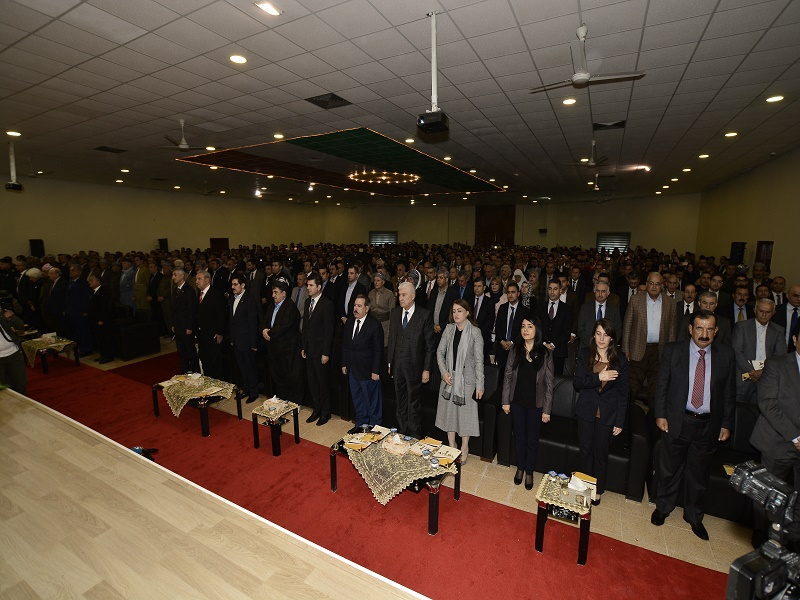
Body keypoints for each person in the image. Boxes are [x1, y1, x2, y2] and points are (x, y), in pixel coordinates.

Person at [651, 311, 736, 540]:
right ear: (690, 329)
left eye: (709, 329)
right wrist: (660, 414)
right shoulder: (673, 350)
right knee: (669, 469)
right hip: (677, 420)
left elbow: (729, 393)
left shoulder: (726, 355)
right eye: (699, 328)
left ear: (716, 331)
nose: (704, 334)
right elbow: (662, 385)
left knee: (699, 475)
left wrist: (727, 423)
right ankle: (663, 507)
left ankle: (694, 516)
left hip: (708, 425)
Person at [573, 319, 629, 505]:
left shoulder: (620, 359)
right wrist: (599, 377)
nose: (601, 338)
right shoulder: (584, 354)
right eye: (598, 334)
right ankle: (582, 487)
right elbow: (578, 383)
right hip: (586, 411)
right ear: (593, 335)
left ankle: (597, 490)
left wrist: (620, 421)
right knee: (585, 451)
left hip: (608, 414)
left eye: (606, 335)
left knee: (601, 453)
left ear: (612, 338)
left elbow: (623, 392)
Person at [501, 317, 553, 490]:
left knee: (532, 439)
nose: (525, 330)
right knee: (519, 437)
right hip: (517, 402)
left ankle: (529, 471)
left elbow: (549, 384)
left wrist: (547, 410)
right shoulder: (515, 350)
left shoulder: (546, 353)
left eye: (530, 326)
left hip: (536, 405)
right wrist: (505, 401)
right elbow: (508, 376)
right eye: (523, 326)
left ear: (536, 329)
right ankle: (520, 468)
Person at [435, 299, 484, 463]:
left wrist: (480, 385)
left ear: (467, 313)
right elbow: (439, 352)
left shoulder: (475, 332)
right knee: (449, 414)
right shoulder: (449, 329)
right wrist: (443, 372)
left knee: (465, 417)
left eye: (460, 311)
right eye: (454, 311)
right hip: (449, 379)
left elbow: (479, 361)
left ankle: (464, 447)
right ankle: (451, 444)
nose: (456, 314)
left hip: (467, 381)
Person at [387, 281, 435, 438]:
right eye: (399, 295)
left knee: (413, 403)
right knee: (400, 402)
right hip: (397, 366)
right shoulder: (395, 313)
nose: (400, 298)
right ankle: (402, 433)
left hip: (415, 368)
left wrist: (426, 369)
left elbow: (430, 346)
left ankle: (414, 436)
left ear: (413, 296)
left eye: (404, 295)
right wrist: (390, 363)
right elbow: (392, 340)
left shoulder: (424, 315)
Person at [622, 272, 677, 408]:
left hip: (659, 352)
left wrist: (670, 353)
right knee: (631, 388)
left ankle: (654, 418)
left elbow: (672, 330)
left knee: (656, 390)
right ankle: (625, 416)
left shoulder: (670, 303)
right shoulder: (635, 300)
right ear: (646, 284)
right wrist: (625, 350)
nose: (654, 287)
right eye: (651, 283)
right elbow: (627, 326)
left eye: (657, 284)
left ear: (662, 286)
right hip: (637, 349)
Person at [342, 295, 384, 432]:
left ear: (367, 309)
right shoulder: (349, 322)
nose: (355, 308)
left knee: (372, 404)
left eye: (359, 306)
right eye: (355, 305)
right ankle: (360, 427)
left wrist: (376, 371)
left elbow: (378, 350)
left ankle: (374, 430)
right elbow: (345, 345)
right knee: (358, 402)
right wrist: (344, 364)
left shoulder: (374, 325)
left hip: (368, 373)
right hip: (353, 371)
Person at [732, 298, 786, 403]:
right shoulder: (742, 326)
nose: (764, 315)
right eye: (761, 311)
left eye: (768, 312)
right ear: (755, 310)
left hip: (768, 377)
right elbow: (736, 351)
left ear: (773, 313)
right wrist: (753, 371)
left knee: (766, 408)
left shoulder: (778, 330)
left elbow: (780, 355)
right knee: (740, 409)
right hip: (744, 374)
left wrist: (763, 372)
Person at [261, 277, 302, 405]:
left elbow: (283, 327)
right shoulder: (271, 306)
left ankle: (294, 403)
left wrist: (269, 333)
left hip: (287, 350)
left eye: (276, 292)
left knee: (290, 377)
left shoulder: (290, 307)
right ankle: (282, 399)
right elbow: (264, 322)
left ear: (283, 293)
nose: (273, 295)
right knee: (277, 376)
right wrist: (263, 330)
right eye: (272, 292)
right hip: (274, 349)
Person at [302, 272, 335, 425]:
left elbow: (329, 331)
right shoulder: (307, 302)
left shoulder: (327, 304)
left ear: (319, 287)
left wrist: (326, 353)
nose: (308, 288)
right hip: (309, 350)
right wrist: (304, 346)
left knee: (322, 382)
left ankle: (326, 412)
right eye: (307, 285)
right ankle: (316, 409)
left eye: (311, 285)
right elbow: (305, 327)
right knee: (312, 382)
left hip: (321, 352)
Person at [195, 271, 227, 380]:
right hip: (202, 334)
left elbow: (221, 315)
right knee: (205, 359)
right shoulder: (199, 294)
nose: (197, 281)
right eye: (196, 279)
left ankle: (218, 384)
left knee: (215, 361)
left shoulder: (215, 294)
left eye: (199, 279)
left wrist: (220, 332)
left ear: (207, 280)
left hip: (213, 335)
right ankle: (208, 382)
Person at [171, 268, 198, 373]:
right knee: (181, 350)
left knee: (190, 350)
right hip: (178, 325)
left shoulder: (189, 290)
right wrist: (173, 324)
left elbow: (191, 310)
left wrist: (189, 327)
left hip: (186, 326)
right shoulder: (175, 290)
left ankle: (195, 371)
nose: (173, 277)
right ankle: (185, 370)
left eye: (175, 275)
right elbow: (174, 310)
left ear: (182, 276)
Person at [0, 303, 27, 394]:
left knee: (21, 384)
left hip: (14, 354)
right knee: (3, 389)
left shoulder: (3, 314)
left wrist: (11, 318)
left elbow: (21, 327)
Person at [87, 274, 114, 364]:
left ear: (98, 282)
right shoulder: (93, 291)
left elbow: (105, 307)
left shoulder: (103, 291)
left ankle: (108, 356)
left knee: (105, 338)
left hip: (102, 320)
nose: (89, 282)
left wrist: (101, 319)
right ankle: (103, 355)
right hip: (95, 319)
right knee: (99, 339)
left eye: (92, 280)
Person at [368, 272, 395, 347]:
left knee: (383, 345)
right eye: (374, 280)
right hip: (372, 322)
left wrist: (390, 328)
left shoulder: (389, 294)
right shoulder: (371, 293)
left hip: (384, 324)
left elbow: (392, 312)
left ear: (383, 282)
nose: (375, 282)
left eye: (378, 280)